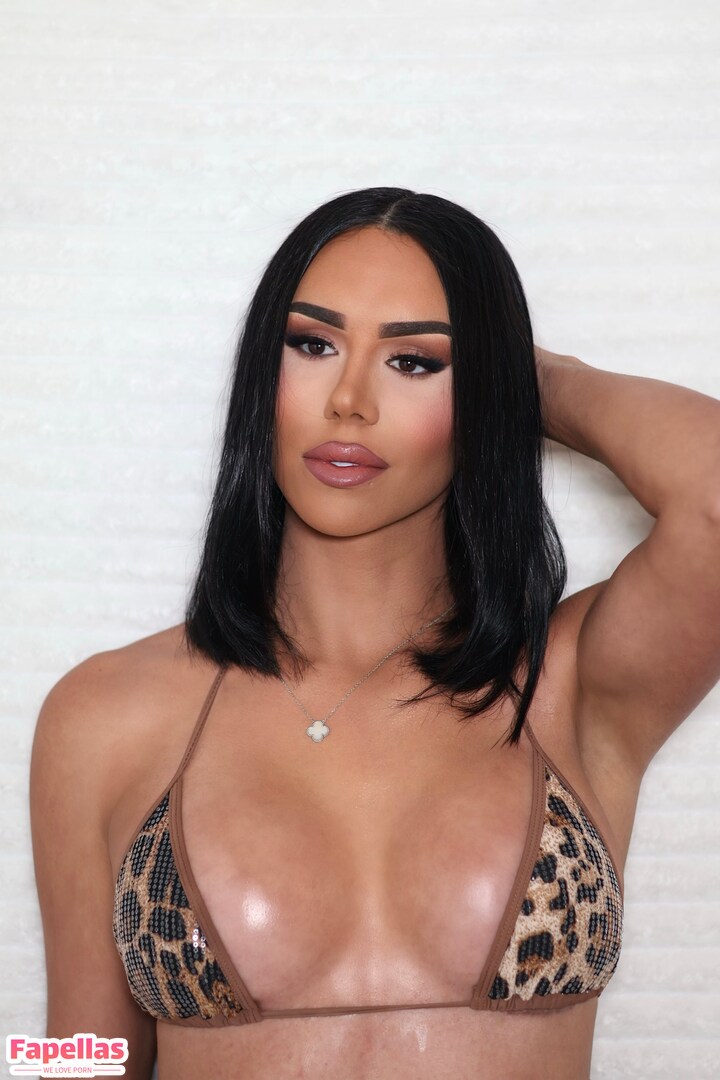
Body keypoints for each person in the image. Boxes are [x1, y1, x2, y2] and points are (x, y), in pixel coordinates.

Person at [30, 187, 720, 1080]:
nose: (349, 400)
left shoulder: (571, 686)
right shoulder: (104, 715)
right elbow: (76, 1060)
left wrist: (527, 379)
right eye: (313, 345)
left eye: (415, 361)